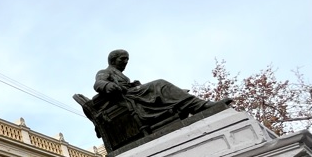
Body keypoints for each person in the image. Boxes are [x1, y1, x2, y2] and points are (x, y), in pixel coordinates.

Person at [94, 49, 227, 124]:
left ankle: (190, 103)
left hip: (135, 94)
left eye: (127, 59)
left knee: (167, 89)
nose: (126, 62)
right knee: (160, 84)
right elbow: (98, 83)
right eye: (122, 59)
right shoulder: (105, 72)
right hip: (129, 98)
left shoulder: (121, 75)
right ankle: (201, 105)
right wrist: (107, 85)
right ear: (112, 60)